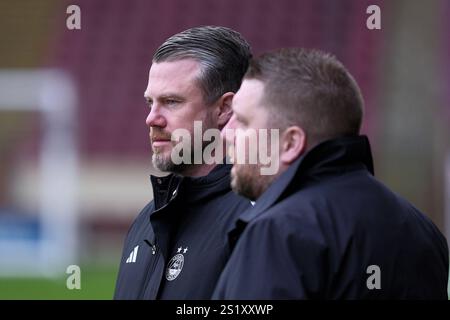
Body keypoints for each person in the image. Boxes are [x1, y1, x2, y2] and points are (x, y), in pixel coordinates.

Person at [213, 48, 449, 299]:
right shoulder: (423, 230)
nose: (226, 133)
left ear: (290, 143)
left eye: (243, 121)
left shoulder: (280, 231)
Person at [114, 26, 252, 299]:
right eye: (150, 102)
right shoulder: (148, 218)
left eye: (171, 101)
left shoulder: (256, 223)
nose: (152, 118)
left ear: (225, 109)